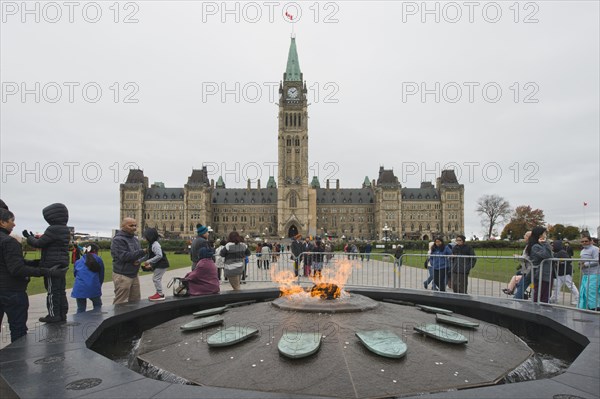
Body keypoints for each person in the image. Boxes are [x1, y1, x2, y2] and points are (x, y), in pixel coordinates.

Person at [0, 209, 67, 342]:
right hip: (11, 291)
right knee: (18, 329)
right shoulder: (9, 241)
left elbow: (10, 262)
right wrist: (46, 271)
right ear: (2, 222)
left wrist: (35, 263)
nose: (14, 224)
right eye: (12, 221)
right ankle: (17, 359)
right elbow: (17, 268)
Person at [23, 203, 71, 323]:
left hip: (51, 266)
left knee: (52, 292)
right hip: (61, 265)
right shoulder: (65, 229)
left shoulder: (53, 229)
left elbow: (39, 244)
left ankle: (53, 314)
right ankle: (62, 313)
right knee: (60, 291)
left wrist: (29, 238)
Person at [111, 218, 146, 304]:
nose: (134, 227)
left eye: (135, 225)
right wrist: (142, 252)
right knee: (121, 302)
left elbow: (139, 255)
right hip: (123, 275)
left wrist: (139, 260)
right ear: (123, 226)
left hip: (134, 274)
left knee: (136, 300)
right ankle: (118, 317)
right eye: (131, 225)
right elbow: (123, 256)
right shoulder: (118, 240)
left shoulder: (135, 240)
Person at [71, 243, 104, 313]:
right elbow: (101, 275)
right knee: (97, 305)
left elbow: (75, 274)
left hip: (79, 288)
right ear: (95, 251)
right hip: (93, 286)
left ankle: (80, 323)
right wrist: (99, 285)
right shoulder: (98, 259)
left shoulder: (78, 261)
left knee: (81, 308)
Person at [141, 228, 170, 301]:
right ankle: (159, 293)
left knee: (156, 279)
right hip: (159, 264)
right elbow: (147, 255)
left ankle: (160, 294)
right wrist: (139, 261)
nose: (145, 238)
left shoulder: (155, 245)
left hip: (162, 264)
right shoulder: (151, 244)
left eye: (146, 236)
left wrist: (149, 261)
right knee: (156, 278)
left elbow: (159, 255)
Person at [526, 226, 553, 303]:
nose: (546, 234)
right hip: (540, 273)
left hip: (545, 273)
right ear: (540, 235)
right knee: (540, 294)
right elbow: (548, 255)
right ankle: (537, 310)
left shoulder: (540, 245)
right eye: (544, 233)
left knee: (545, 294)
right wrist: (546, 243)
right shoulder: (535, 246)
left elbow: (550, 255)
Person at [550, 240, 579, 305]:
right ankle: (555, 298)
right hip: (560, 272)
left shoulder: (562, 252)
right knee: (557, 286)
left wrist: (559, 263)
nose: (552, 247)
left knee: (570, 285)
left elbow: (568, 260)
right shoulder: (557, 253)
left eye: (553, 245)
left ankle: (578, 298)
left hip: (565, 272)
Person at [578, 235, 599, 311]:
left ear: (590, 241)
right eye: (582, 241)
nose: (584, 243)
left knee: (591, 291)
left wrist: (585, 264)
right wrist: (580, 264)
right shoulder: (582, 250)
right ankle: (587, 307)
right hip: (585, 274)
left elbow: (597, 260)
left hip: (594, 274)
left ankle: (595, 308)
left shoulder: (595, 249)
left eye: (586, 241)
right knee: (584, 291)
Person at [513, 231, 532, 300]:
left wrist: (517, 257)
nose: (524, 237)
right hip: (526, 269)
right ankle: (519, 295)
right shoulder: (528, 246)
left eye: (525, 236)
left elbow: (526, 258)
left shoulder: (530, 246)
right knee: (521, 283)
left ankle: (518, 297)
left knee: (522, 284)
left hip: (528, 269)